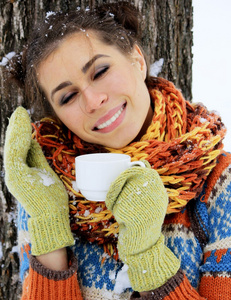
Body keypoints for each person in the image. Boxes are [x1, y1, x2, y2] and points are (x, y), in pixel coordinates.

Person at [3, 2, 231, 299]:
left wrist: (148, 257)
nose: (93, 101)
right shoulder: (48, 189)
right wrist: (49, 226)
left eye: (99, 71)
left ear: (137, 60)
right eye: (68, 96)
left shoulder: (218, 184)